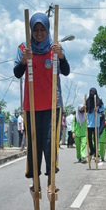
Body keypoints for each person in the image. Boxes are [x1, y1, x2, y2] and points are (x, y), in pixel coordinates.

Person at [14, 13, 70, 195]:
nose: (39, 33)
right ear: (31, 31)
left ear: (47, 30)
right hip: (31, 104)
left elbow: (66, 71)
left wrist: (61, 56)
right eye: (35, 30)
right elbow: (17, 73)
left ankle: (50, 181)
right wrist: (24, 60)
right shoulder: (24, 48)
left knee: (50, 143)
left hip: (53, 103)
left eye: (42, 30)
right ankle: (35, 181)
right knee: (34, 143)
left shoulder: (55, 49)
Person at [86, 88, 104, 162]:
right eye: (90, 92)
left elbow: (103, 108)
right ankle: (92, 151)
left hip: (96, 122)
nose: (91, 93)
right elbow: (85, 109)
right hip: (89, 123)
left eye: (93, 92)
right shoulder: (87, 100)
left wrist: (98, 110)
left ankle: (96, 154)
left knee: (95, 139)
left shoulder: (99, 101)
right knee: (89, 139)